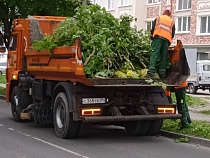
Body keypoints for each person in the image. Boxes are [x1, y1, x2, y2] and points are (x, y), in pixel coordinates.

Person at [147, 9, 175, 78]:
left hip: (158, 38)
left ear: (163, 13)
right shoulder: (172, 21)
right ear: (170, 15)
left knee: (154, 54)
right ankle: (162, 74)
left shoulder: (158, 18)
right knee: (164, 57)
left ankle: (151, 72)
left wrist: (152, 37)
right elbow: (173, 33)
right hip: (166, 40)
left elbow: (153, 29)